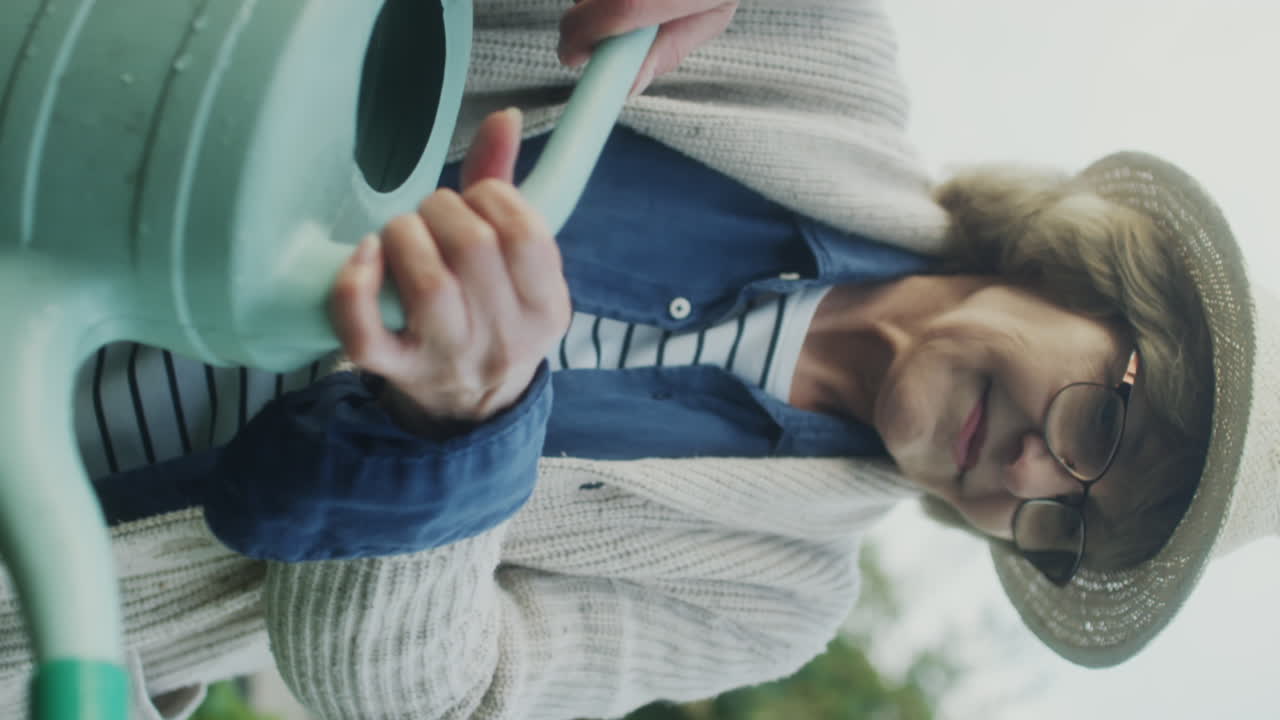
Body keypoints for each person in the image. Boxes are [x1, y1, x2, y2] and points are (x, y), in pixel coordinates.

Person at [0, 1, 1276, 718]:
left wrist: (463, 426)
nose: (1029, 477)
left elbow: (415, 698)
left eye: (1062, 526)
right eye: (1100, 431)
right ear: (1094, 282)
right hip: (57, 127)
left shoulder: (775, 600)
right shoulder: (813, 50)